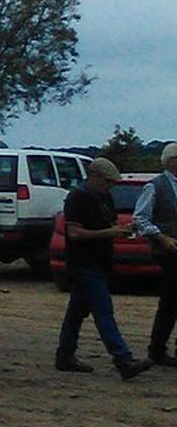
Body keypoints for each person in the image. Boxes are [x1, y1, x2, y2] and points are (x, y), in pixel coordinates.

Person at [56, 157, 153, 380]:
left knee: (77, 312)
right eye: (108, 181)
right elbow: (74, 233)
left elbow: (107, 224)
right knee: (103, 311)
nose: (111, 186)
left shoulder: (103, 196)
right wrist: (110, 233)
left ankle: (65, 355)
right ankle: (123, 359)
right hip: (83, 263)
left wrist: (120, 229)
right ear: (95, 176)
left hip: (98, 262)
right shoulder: (77, 198)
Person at [132, 142, 177, 367]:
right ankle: (157, 349)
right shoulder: (155, 186)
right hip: (168, 251)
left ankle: (159, 348)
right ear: (171, 161)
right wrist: (162, 237)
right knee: (170, 301)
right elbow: (140, 218)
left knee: (171, 301)